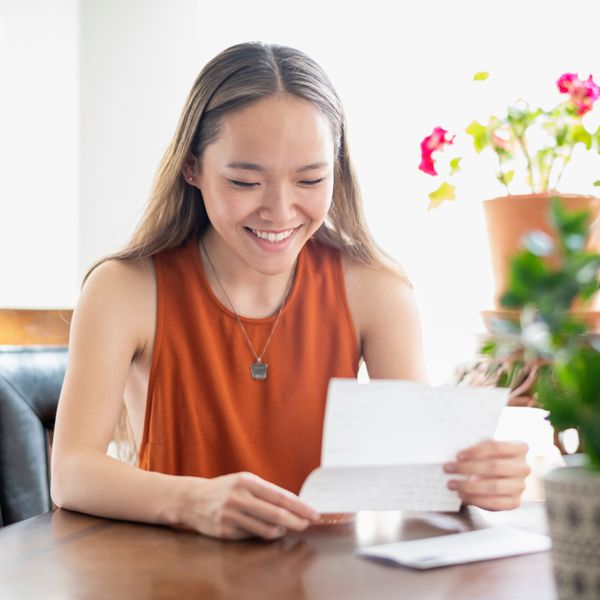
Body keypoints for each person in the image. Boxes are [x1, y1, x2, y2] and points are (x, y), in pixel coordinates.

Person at [51, 42, 530, 541]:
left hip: (327, 577)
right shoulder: (123, 288)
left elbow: (421, 470)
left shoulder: (376, 288)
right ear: (191, 167)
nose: (280, 212)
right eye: (244, 182)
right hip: (175, 571)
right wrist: (193, 500)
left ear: (336, 171)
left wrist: (479, 480)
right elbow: (70, 471)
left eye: (310, 179)